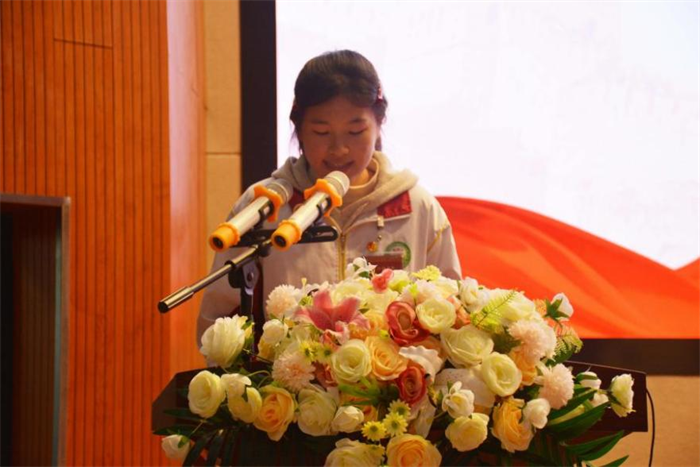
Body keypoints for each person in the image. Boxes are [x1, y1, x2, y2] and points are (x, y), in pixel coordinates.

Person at [197, 50, 461, 346]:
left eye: (355, 131)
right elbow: (219, 325)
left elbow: (452, 314)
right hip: (288, 374)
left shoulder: (416, 207)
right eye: (321, 132)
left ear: (379, 123)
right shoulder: (263, 207)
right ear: (299, 129)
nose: (339, 149)